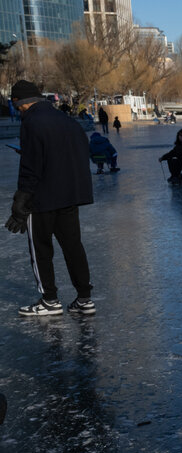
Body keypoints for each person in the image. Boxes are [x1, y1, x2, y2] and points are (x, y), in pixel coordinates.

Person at [4, 80, 95, 316]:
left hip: (43, 197)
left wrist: (20, 201)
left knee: (41, 249)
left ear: (19, 102)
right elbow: (77, 153)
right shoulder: (68, 121)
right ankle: (84, 299)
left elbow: (31, 166)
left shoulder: (32, 122)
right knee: (73, 247)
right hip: (70, 195)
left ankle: (49, 300)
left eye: (15, 104)